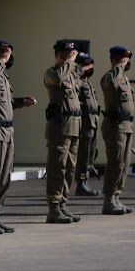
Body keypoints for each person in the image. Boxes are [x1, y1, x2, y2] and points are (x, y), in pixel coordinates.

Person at [0, 40, 36, 234]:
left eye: (8, 53)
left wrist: (20, 102)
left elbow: (4, 103)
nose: (8, 56)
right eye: (4, 53)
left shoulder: (2, 76)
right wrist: (0, 61)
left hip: (7, 133)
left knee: (4, 177)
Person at [43, 40, 89, 223]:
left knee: (70, 168)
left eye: (72, 53)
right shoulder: (52, 73)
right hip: (60, 127)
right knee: (57, 167)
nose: (72, 56)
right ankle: (53, 208)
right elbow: (57, 78)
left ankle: (63, 204)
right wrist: (68, 62)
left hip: (74, 126)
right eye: (67, 54)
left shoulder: (71, 75)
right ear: (59, 55)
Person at [100, 46, 135, 215]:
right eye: (122, 59)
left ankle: (116, 197)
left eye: (126, 59)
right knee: (115, 162)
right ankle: (108, 199)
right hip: (115, 126)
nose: (125, 62)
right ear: (114, 60)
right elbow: (110, 83)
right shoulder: (109, 77)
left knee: (124, 164)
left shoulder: (124, 79)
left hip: (126, 125)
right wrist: (118, 67)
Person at [74, 52, 100, 197]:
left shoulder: (87, 82)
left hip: (92, 123)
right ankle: (81, 183)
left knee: (91, 153)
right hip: (83, 123)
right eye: (84, 65)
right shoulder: (76, 81)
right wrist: (79, 71)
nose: (88, 68)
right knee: (84, 154)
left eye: (89, 65)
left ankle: (85, 181)